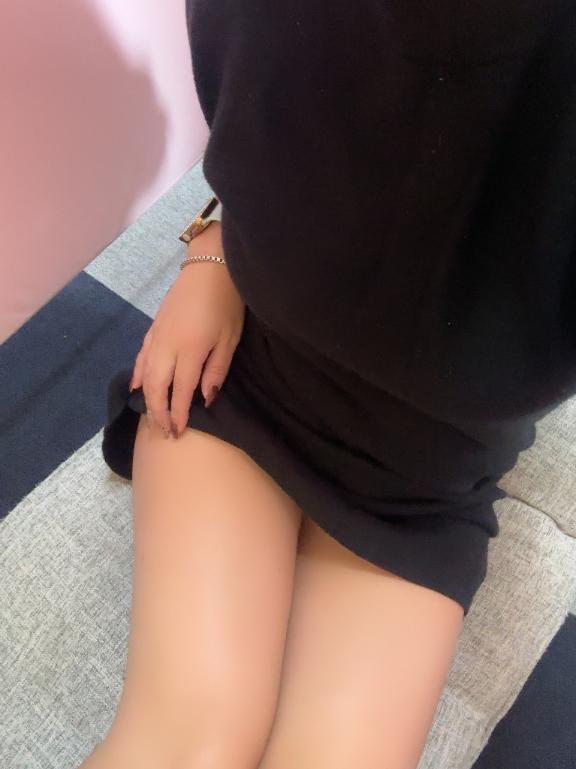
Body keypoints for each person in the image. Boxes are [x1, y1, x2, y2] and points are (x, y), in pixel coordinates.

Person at [82, 1, 576, 767]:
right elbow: (262, 93)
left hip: (428, 477)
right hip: (242, 371)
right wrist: (213, 246)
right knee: (188, 741)